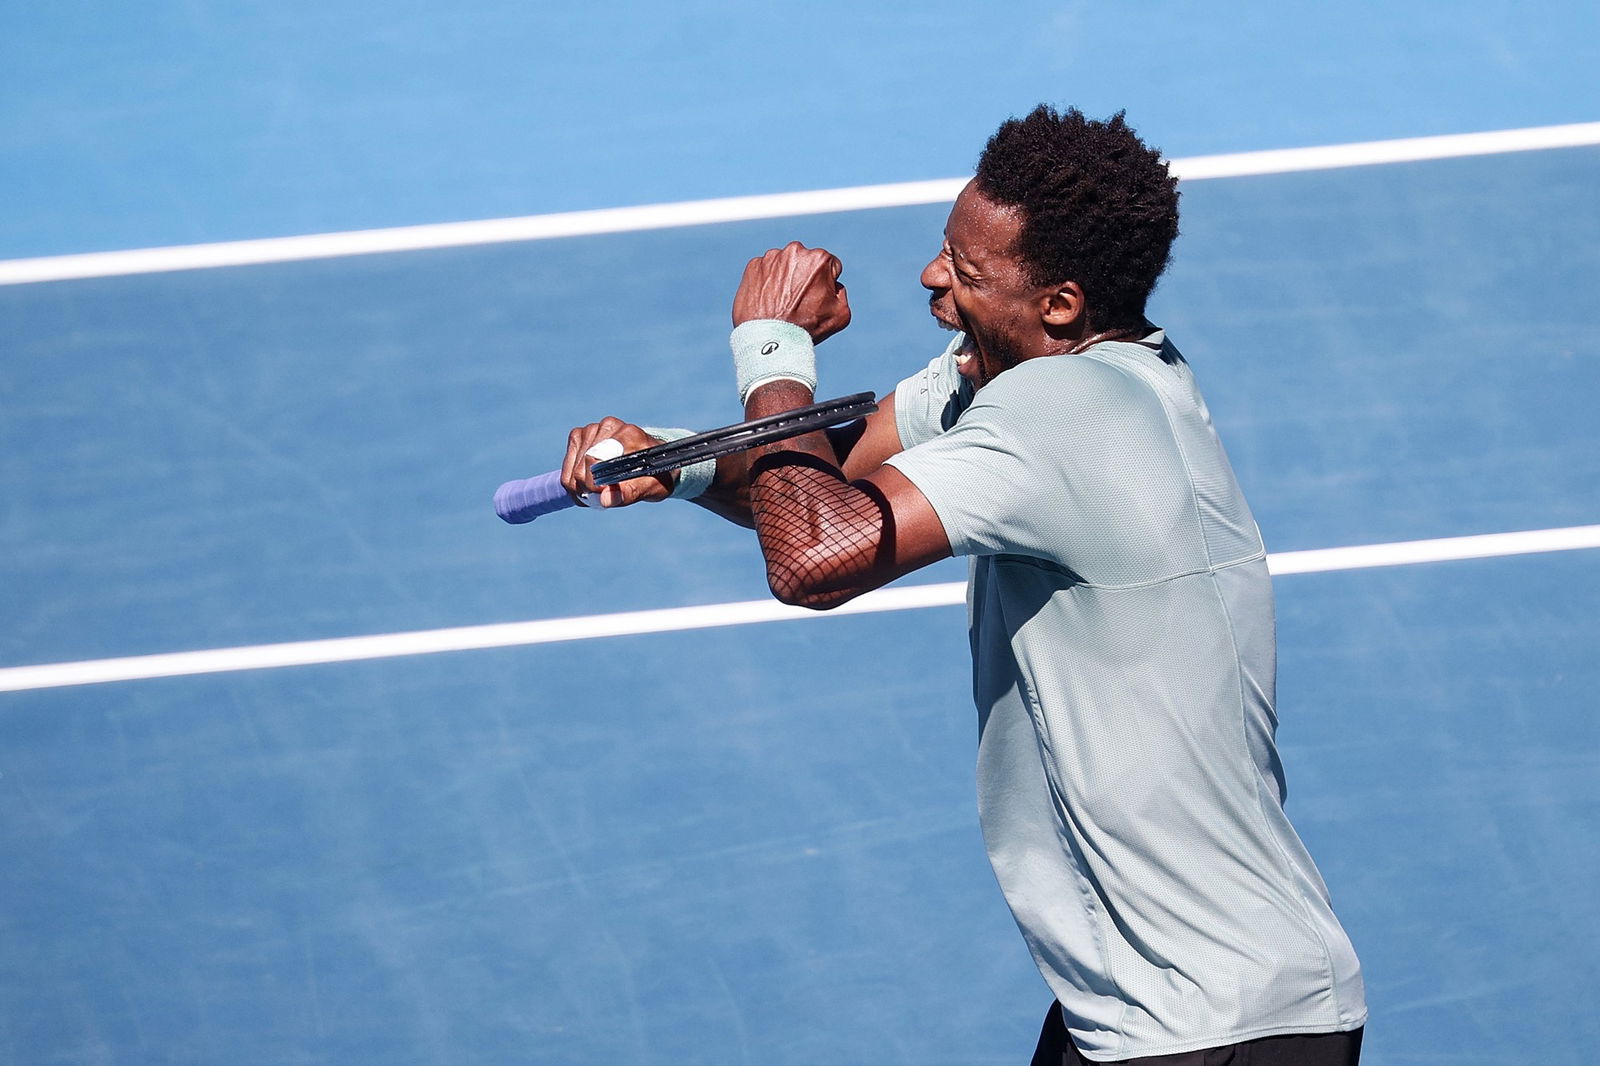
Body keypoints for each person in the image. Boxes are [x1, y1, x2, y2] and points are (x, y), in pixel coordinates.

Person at [561, 105, 1367, 1065]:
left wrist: (771, 349)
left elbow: (815, 555)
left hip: (1218, 1028)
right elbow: (831, 481)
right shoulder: (1022, 374)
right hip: (1137, 1010)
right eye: (945, 250)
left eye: (967, 272)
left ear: (1060, 303)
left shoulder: (1065, 408)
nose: (932, 280)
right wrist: (687, 461)